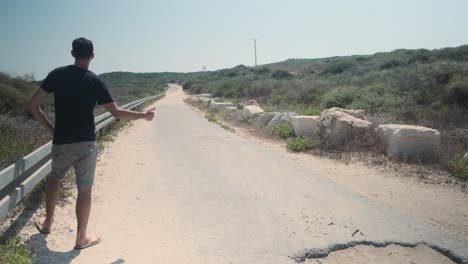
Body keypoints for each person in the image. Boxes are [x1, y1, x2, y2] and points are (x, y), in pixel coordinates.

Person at [28, 37, 156, 250]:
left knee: (55, 178)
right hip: (86, 143)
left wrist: (52, 129)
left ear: (72, 53)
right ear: (92, 56)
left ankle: (48, 223)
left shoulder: (56, 75)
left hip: (62, 142)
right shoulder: (95, 81)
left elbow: (33, 105)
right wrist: (143, 115)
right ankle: (81, 238)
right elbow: (116, 113)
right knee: (84, 189)